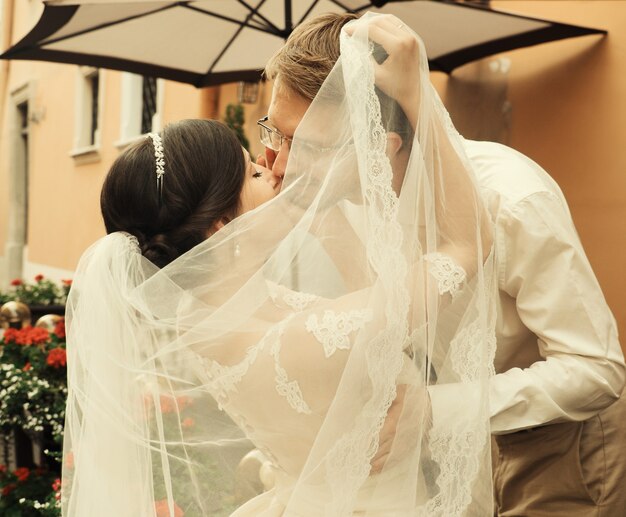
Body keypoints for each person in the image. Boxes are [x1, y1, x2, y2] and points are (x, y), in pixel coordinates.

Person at [61, 16, 497, 516]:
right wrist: (417, 92)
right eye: (253, 171)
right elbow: (467, 243)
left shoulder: (205, 321)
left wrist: (322, 191)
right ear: (222, 229)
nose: (276, 168)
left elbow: (373, 288)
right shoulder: (310, 338)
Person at [260, 12, 626, 516]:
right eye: (271, 132)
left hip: (560, 444)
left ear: (377, 149)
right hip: (458, 449)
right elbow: (387, 328)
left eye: (299, 144)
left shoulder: (513, 199)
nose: (273, 161)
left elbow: (598, 371)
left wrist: (432, 411)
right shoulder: (345, 203)